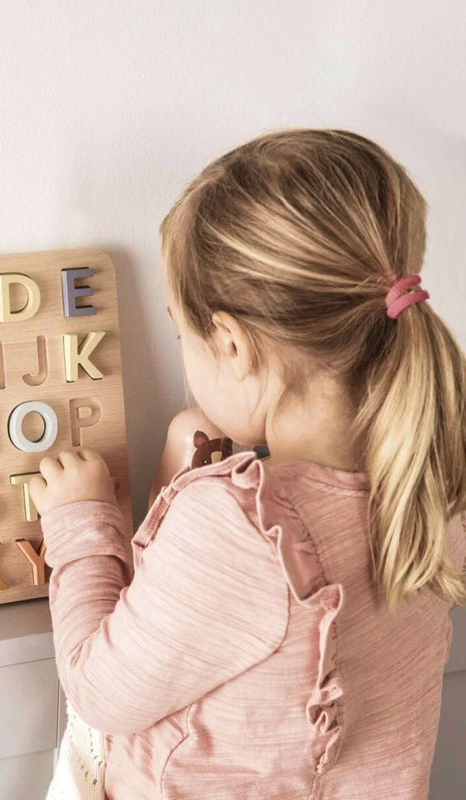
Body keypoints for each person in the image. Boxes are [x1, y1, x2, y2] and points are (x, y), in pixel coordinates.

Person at [29, 127, 466, 799]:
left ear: (231, 344)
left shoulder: (240, 528)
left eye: (182, 333)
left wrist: (82, 523)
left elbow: (99, 693)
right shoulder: (438, 466)